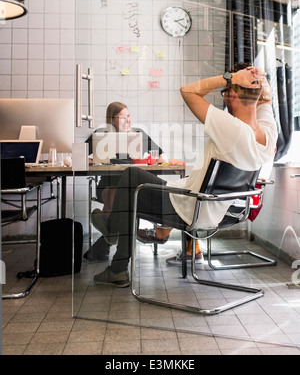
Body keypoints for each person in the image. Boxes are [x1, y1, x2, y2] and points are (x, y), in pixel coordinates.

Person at [92, 63, 278, 287]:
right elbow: (266, 102)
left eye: (226, 91)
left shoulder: (233, 128)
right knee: (131, 186)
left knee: (131, 177)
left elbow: (188, 91)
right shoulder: (268, 132)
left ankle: (114, 239)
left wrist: (230, 77)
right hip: (220, 210)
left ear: (231, 94)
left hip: (192, 208)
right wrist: (260, 86)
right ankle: (117, 264)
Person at [84, 101, 164, 262]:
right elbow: (80, 155)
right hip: (107, 186)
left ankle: (106, 242)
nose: (127, 121)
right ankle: (108, 242)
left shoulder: (138, 134)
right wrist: (89, 160)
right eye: (122, 117)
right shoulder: (100, 135)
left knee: (121, 193)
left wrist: (152, 159)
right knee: (115, 193)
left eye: (128, 116)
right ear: (112, 120)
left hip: (133, 186)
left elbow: (161, 155)